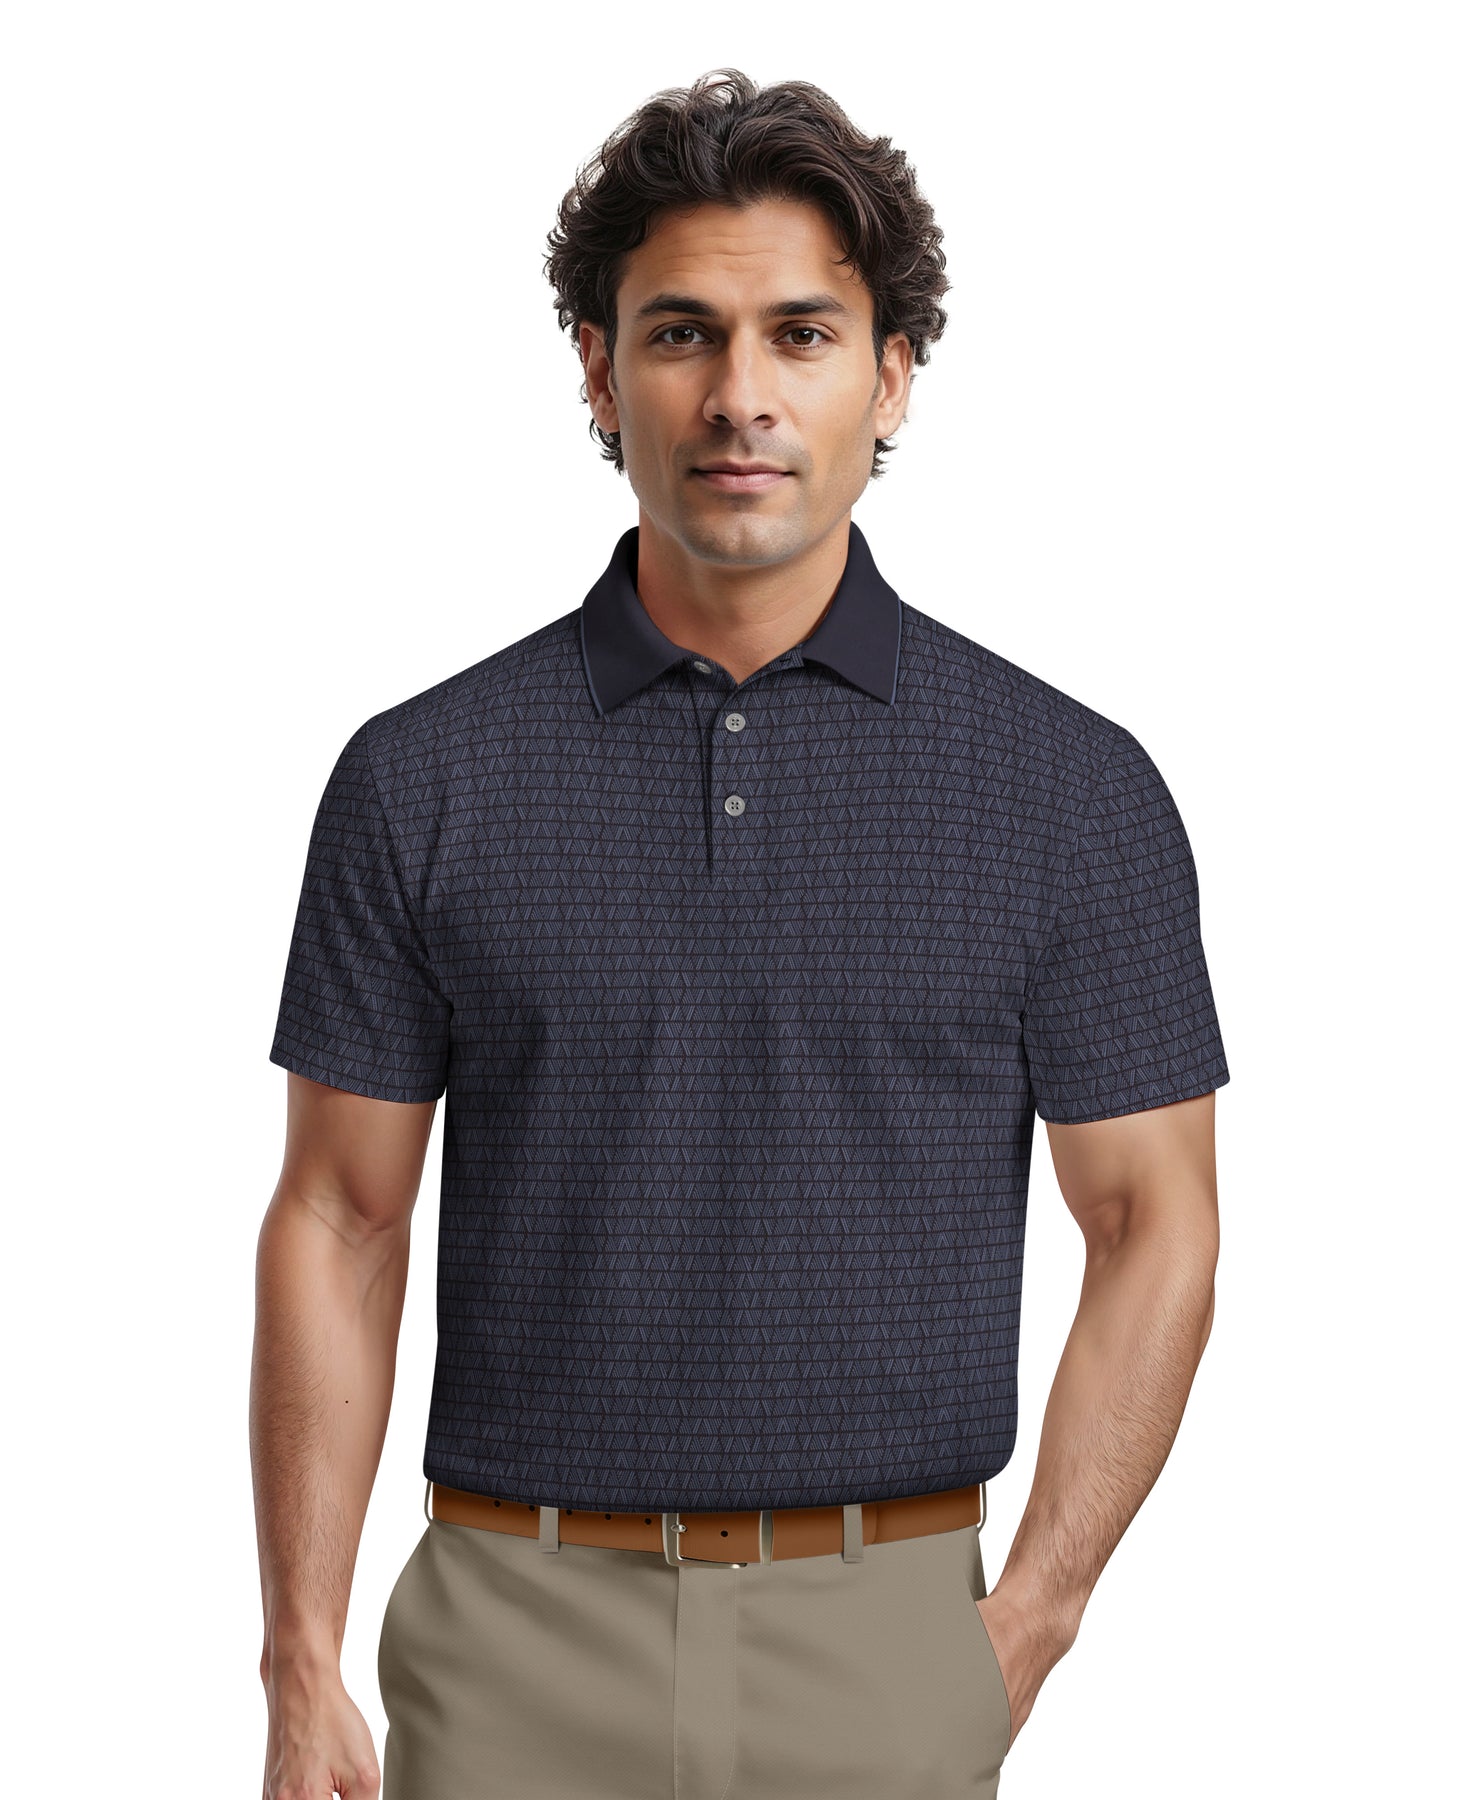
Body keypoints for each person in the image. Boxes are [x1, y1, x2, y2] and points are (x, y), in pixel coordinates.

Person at [253, 67, 1229, 1800]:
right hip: (504, 1635)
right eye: (680, 334)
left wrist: (1026, 1623)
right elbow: (338, 1215)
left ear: (891, 374)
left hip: (888, 1643)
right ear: (597, 368)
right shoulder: (423, 777)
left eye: (801, 334)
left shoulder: (1067, 790)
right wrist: (298, 1658)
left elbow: (1152, 1221)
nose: (739, 397)